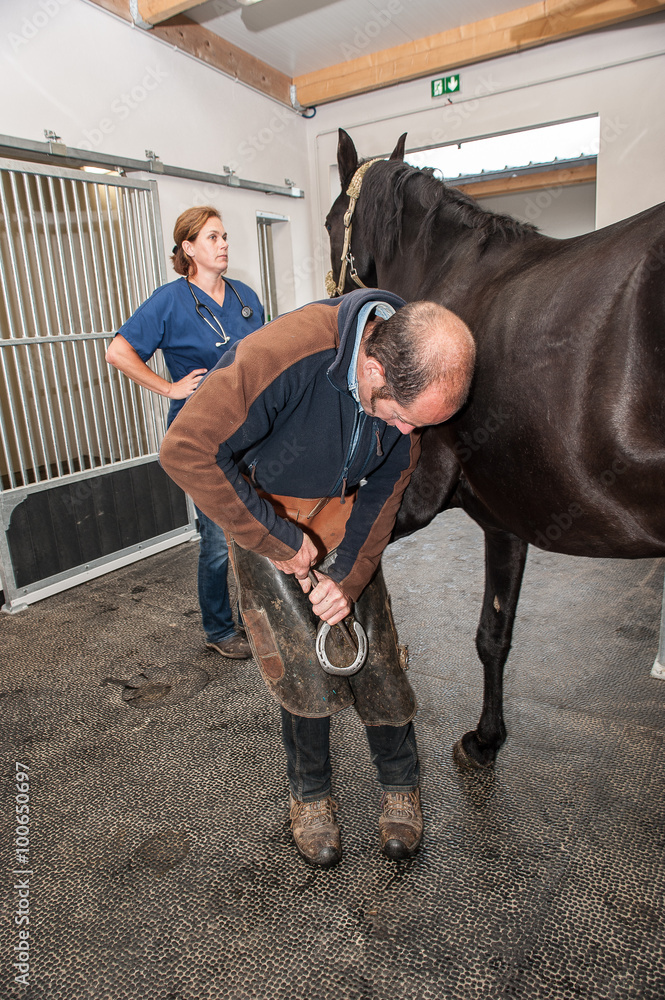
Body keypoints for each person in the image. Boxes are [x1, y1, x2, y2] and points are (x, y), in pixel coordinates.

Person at [159, 288, 476, 867]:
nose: (407, 433)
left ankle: (400, 785)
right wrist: (275, 538)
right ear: (372, 369)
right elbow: (185, 449)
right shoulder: (287, 353)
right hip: (263, 514)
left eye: (419, 424)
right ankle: (310, 797)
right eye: (401, 417)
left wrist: (348, 578)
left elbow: (385, 490)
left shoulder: (407, 381)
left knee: (378, 657)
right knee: (298, 662)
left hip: (345, 520)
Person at [106, 206, 264, 659]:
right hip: (201, 437)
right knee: (216, 540)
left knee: (256, 529)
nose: (224, 244)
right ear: (188, 248)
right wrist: (169, 387)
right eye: (213, 237)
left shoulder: (245, 296)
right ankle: (219, 629)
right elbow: (117, 352)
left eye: (225, 236)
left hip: (250, 432)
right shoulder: (168, 300)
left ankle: (257, 618)